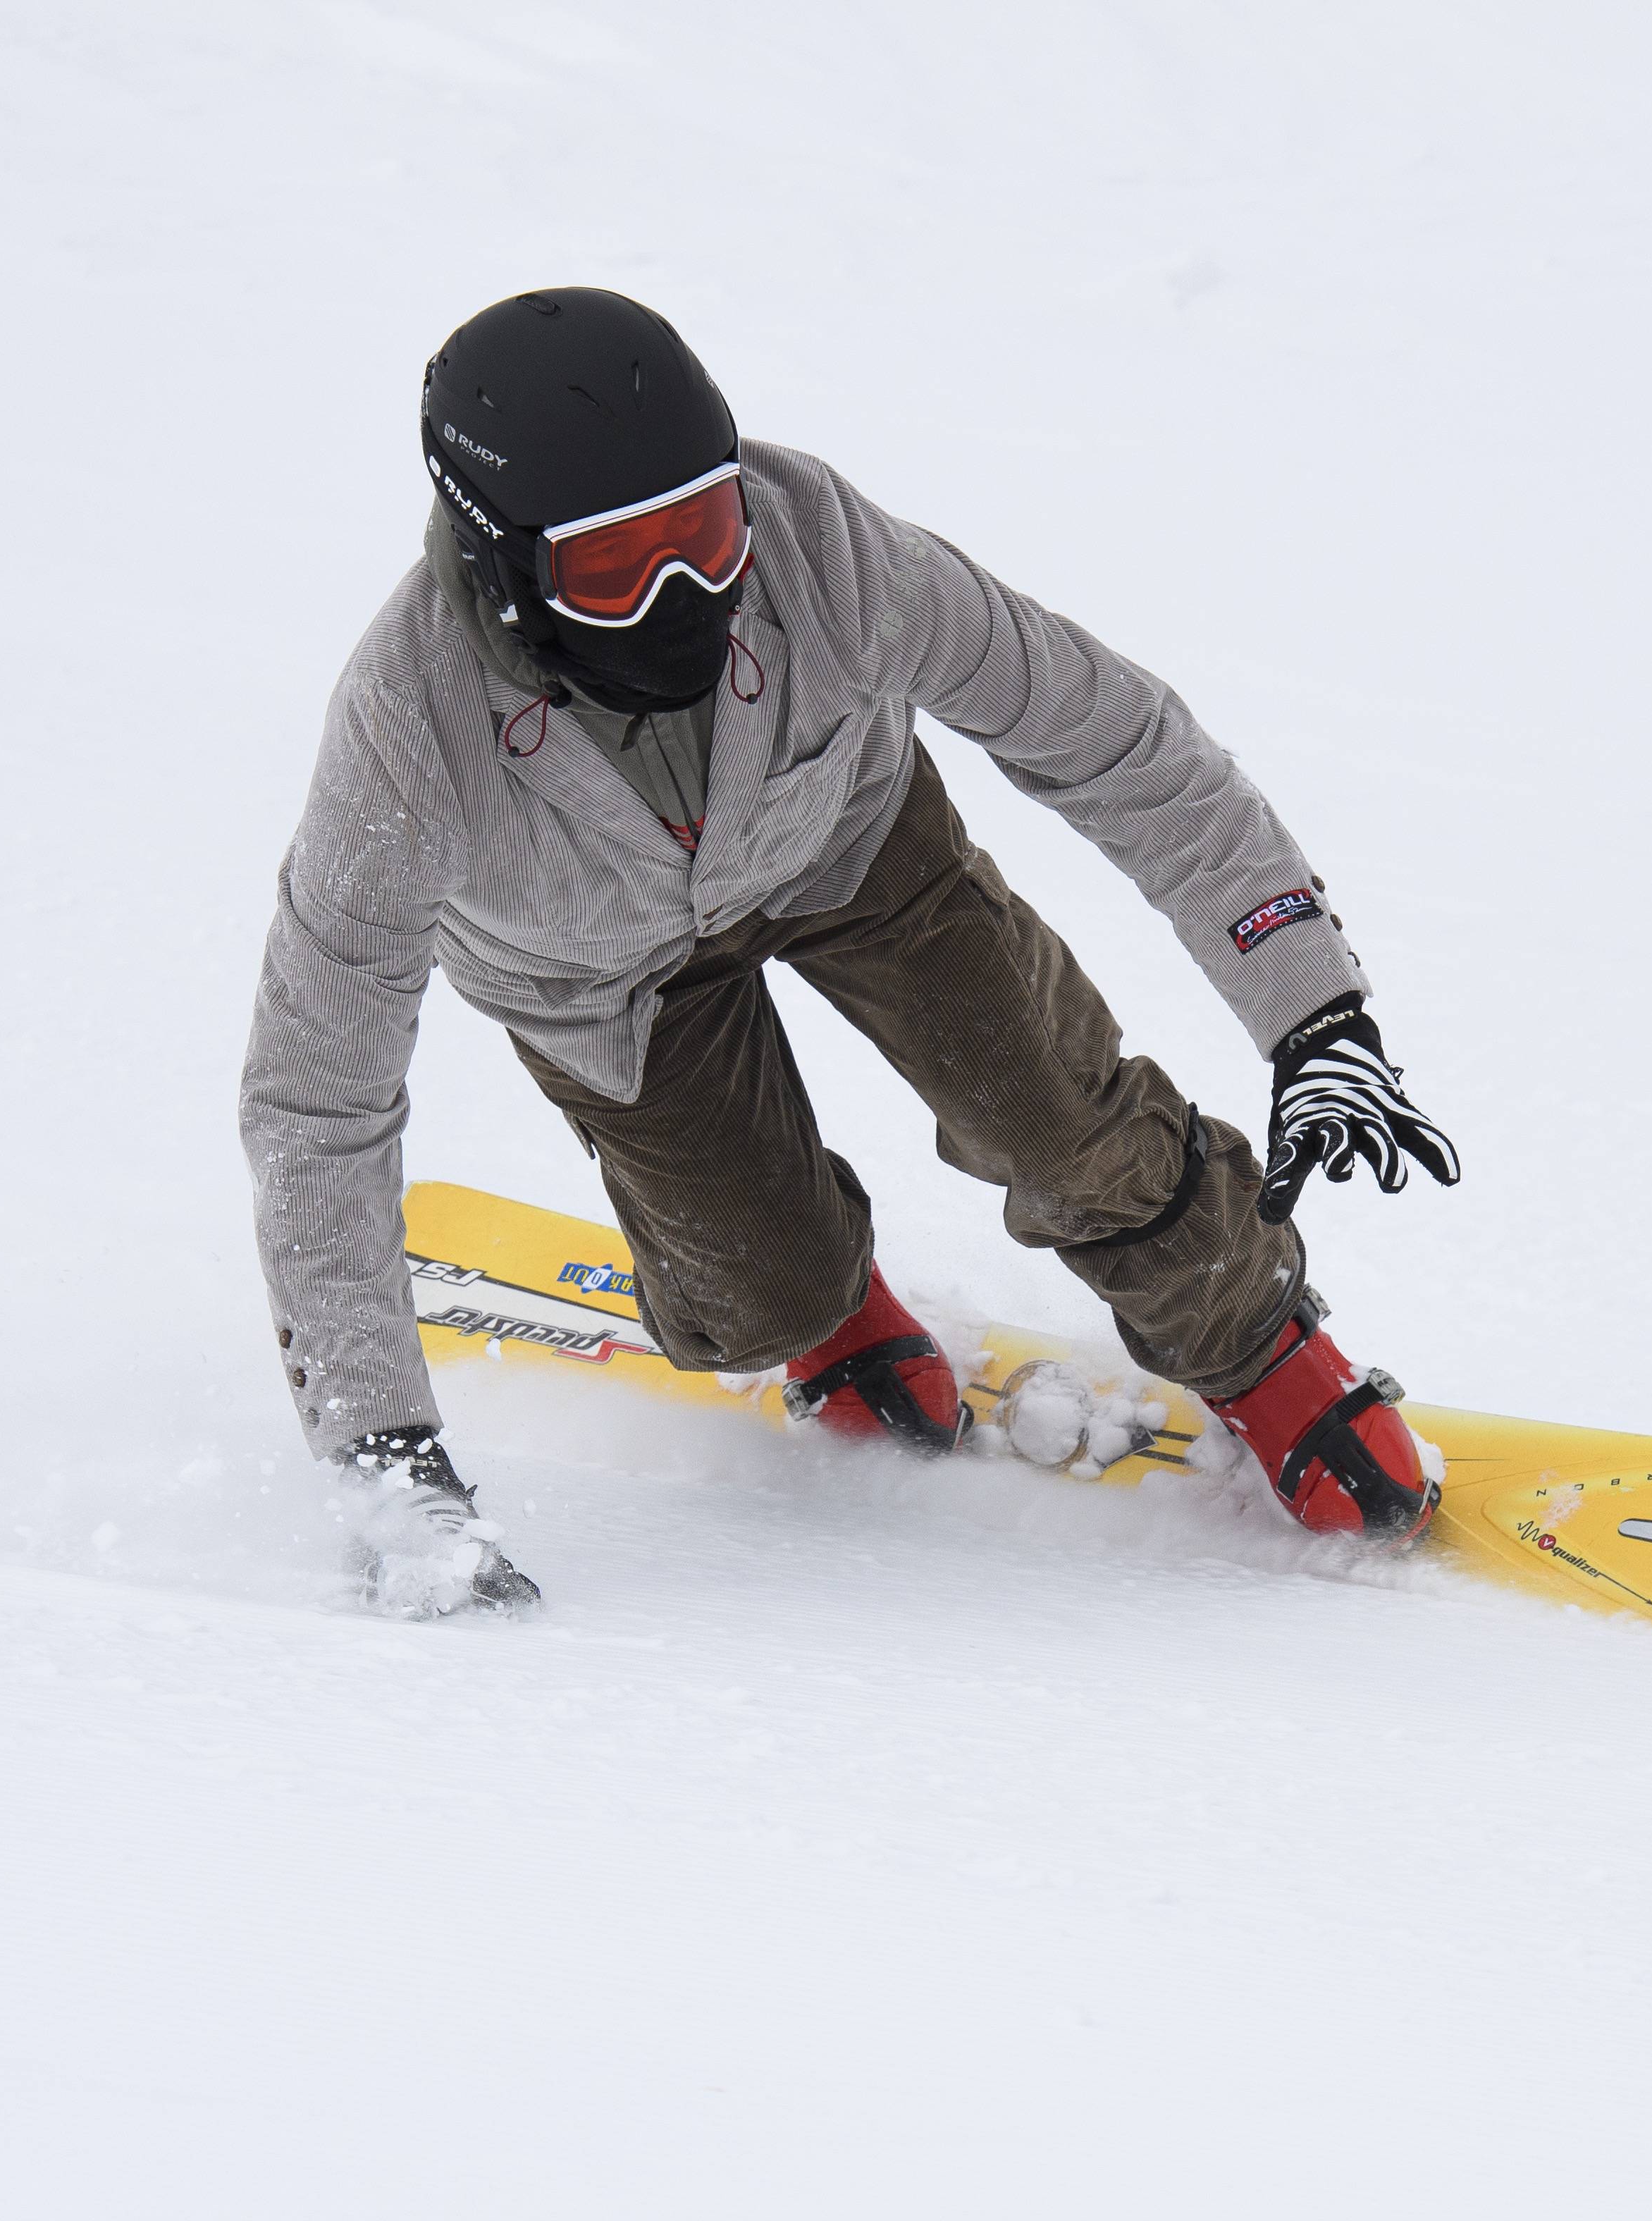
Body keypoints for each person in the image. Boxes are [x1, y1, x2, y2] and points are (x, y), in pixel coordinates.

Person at [242, 289, 1461, 1618]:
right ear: (503, 563)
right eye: (612, 568)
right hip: (597, 978)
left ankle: (1254, 1336)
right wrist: (386, 1462)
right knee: (755, 1294)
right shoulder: (406, 730)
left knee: (1055, 1114)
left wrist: (1314, 1013)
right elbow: (318, 1101)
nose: (684, 593)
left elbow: (1118, 742)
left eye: (703, 534)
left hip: (851, 849)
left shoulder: (824, 551)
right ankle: (824, 1299)